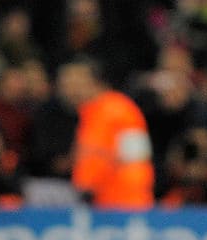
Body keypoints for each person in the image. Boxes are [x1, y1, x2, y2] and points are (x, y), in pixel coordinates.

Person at [58, 56, 155, 209]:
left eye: (75, 84)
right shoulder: (88, 114)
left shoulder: (122, 110)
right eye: (64, 85)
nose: (68, 91)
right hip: (98, 204)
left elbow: (137, 159)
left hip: (124, 205)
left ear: (96, 83)